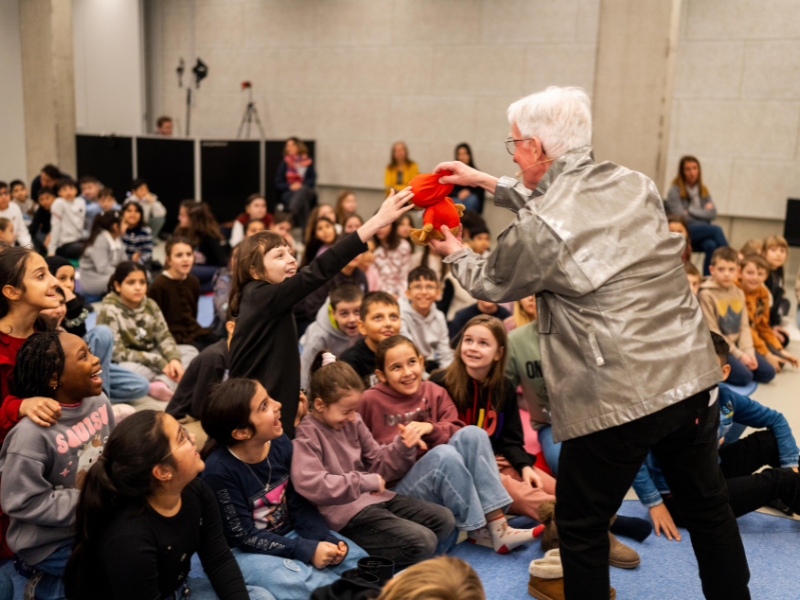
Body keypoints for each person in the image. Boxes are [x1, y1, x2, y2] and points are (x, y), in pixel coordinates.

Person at [429, 86, 749, 599]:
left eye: (512, 144)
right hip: (690, 374)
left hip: (618, 392)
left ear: (534, 147)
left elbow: (492, 281)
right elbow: (562, 206)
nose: (510, 153)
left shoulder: (539, 227)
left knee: (579, 527)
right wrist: (486, 182)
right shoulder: (634, 183)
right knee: (708, 507)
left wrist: (453, 251)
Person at [229, 190, 414, 439]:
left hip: (267, 401)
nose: (292, 260)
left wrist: (295, 391)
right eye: (279, 255)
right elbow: (318, 270)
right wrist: (376, 223)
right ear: (254, 270)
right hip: (253, 409)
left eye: (291, 252)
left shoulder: (266, 297)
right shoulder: (261, 295)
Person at [63, 410, 273, 600]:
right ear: (163, 471)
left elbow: (218, 559)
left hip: (177, 587)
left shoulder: (197, 490)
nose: (192, 438)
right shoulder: (130, 540)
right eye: (181, 437)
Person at [360, 335, 542, 554]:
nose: (407, 372)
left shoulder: (434, 391)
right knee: (443, 454)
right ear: (381, 374)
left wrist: (430, 428)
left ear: (421, 361)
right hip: (397, 492)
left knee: (473, 432)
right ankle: (480, 527)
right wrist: (402, 447)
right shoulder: (369, 401)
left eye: (411, 362)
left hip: (442, 482)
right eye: (396, 367)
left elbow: (459, 433)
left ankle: (497, 526)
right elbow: (365, 462)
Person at [201, 378, 368, 597]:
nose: (278, 404)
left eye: (269, 398)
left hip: (290, 533)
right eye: (264, 406)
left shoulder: (280, 444)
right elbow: (243, 537)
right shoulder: (218, 471)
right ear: (242, 432)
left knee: (359, 562)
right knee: (310, 583)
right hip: (244, 551)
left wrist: (322, 537)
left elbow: (299, 501)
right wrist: (304, 550)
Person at [633, 331, 800, 539]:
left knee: (772, 443)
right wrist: (654, 502)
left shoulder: (725, 397)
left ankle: (783, 494)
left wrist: (790, 464)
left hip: (713, 472)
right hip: (683, 498)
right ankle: (785, 490)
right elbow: (632, 454)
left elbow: (776, 419)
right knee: (784, 481)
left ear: (724, 372)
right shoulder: (665, 406)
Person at [292, 354, 455, 565]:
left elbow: (378, 463)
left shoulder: (354, 421)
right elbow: (313, 484)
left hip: (376, 498)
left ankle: (413, 559)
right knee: (422, 541)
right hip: (345, 514)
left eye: (354, 410)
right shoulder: (306, 433)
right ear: (320, 404)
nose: (352, 417)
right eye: (346, 411)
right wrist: (363, 482)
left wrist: (402, 445)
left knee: (444, 520)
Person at [0, 331, 114, 600]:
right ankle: (45, 586)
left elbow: (112, 452)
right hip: (50, 541)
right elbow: (21, 501)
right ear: (54, 378)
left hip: (97, 516)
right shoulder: (30, 435)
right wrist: (92, 500)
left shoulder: (99, 400)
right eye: (84, 356)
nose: (97, 360)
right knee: (113, 575)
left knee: (141, 549)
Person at [428, 316, 560, 526]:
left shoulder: (504, 387)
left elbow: (511, 440)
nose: (473, 348)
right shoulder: (439, 383)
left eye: (483, 343)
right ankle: (582, 523)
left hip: (498, 459)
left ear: (499, 353)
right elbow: (434, 441)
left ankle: (595, 521)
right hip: (466, 468)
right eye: (468, 340)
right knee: (530, 498)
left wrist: (524, 466)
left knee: (555, 488)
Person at [95, 262, 199, 403]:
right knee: (130, 371)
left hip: (151, 355)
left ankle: (161, 384)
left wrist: (174, 359)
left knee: (191, 352)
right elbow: (117, 353)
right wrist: (160, 362)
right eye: (131, 282)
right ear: (118, 286)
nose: (138, 287)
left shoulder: (150, 304)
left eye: (142, 282)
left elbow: (164, 336)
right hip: (127, 362)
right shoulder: (109, 310)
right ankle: (166, 379)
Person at [698, 247, 774, 386]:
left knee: (768, 372)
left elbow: (744, 326)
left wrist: (749, 352)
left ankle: (742, 362)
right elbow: (714, 332)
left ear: (738, 271)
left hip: (737, 346)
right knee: (745, 377)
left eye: (731, 269)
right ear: (711, 270)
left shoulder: (739, 292)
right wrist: (740, 356)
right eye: (721, 269)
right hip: (719, 348)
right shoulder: (706, 294)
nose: (726, 274)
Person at [148, 236, 220, 353]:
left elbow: (193, 314)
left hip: (194, 331)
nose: (185, 259)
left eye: (189, 254)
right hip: (172, 338)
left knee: (222, 346)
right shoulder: (159, 285)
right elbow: (153, 322)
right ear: (169, 260)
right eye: (179, 255)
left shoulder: (193, 282)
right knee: (205, 355)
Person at [665, 155, 728, 276]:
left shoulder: (703, 190)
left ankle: (707, 278)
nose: (692, 172)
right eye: (688, 169)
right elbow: (680, 218)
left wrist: (690, 211)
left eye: (694, 168)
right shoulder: (674, 191)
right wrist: (703, 213)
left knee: (711, 245)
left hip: (702, 232)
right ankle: (730, 259)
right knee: (716, 230)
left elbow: (713, 213)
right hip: (686, 230)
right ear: (682, 172)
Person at [166, 313, 235, 423]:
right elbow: (200, 408)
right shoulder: (214, 357)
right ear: (231, 327)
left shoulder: (246, 355)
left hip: (217, 416)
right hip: (186, 420)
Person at [737, 253, 798, 373]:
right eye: (750, 273)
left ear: (766, 276)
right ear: (740, 272)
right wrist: (766, 354)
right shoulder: (736, 290)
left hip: (753, 335)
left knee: (781, 360)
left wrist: (779, 350)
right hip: (739, 338)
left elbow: (763, 325)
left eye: (760, 274)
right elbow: (744, 328)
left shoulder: (762, 292)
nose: (755, 277)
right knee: (768, 371)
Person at [294, 240, 368, 337]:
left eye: (358, 251)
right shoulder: (327, 273)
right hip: (311, 320)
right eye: (350, 250)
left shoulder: (360, 274)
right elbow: (312, 309)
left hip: (346, 320)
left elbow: (365, 303)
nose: (354, 254)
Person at [300, 282, 365, 391]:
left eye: (357, 312)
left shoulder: (364, 324)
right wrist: (306, 396)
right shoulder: (319, 337)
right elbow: (306, 371)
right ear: (333, 313)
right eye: (344, 313)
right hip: (308, 357)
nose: (352, 319)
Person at [339, 292, 403, 387]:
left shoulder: (404, 352)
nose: (388, 323)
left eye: (393, 316)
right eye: (378, 317)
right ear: (362, 327)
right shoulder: (350, 361)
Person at [399, 266, 453, 371]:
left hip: (424, 364)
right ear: (408, 293)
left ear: (437, 293)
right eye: (418, 286)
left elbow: (445, 353)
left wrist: (448, 376)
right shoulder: (400, 315)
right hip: (405, 365)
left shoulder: (439, 317)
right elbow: (407, 353)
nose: (424, 292)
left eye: (429, 286)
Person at [175, 201, 230, 293]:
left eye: (182, 215)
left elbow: (222, 264)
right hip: (192, 270)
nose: (179, 218)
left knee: (188, 270)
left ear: (193, 219)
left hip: (210, 270)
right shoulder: (180, 231)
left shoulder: (210, 236)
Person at [78, 210, 125, 299]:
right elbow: (103, 268)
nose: (127, 225)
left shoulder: (118, 240)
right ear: (115, 226)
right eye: (125, 223)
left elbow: (124, 262)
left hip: (107, 275)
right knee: (124, 280)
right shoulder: (101, 240)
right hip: (93, 281)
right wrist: (125, 273)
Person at [276, 137, 317, 230]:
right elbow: (278, 183)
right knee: (303, 202)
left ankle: (292, 212)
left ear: (298, 146)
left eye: (292, 145)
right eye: (287, 145)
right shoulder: (284, 163)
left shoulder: (307, 162)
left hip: (307, 191)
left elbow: (312, 180)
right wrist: (290, 186)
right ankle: (305, 234)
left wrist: (301, 186)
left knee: (303, 191)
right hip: (290, 194)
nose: (289, 148)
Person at [762, 235, 791, 346]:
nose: (778, 254)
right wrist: (769, 328)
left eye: (782, 251)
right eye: (773, 250)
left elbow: (776, 302)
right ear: (764, 253)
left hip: (769, 321)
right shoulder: (763, 274)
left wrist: (775, 324)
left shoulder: (778, 272)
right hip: (760, 323)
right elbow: (761, 309)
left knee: (786, 302)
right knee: (780, 342)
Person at [373, 219, 411, 298]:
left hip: (401, 295)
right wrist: (388, 294)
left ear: (392, 225)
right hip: (378, 295)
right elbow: (374, 278)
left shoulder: (403, 246)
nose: (379, 228)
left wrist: (400, 296)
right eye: (376, 225)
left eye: (383, 225)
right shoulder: (372, 249)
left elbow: (404, 276)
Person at [48, 178, 86, 258]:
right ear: (59, 193)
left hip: (78, 239)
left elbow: (80, 224)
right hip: (64, 244)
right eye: (64, 189)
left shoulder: (81, 202)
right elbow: (55, 227)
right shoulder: (58, 203)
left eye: (71, 188)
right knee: (85, 249)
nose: (68, 192)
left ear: (76, 190)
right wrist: (51, 250)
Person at [450, 144, 485, 214]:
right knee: (453, 202)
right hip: (456, 199)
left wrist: (468, 192)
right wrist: (458, 193)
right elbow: (447, 191)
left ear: (469, 155)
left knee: (471, 200)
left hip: (470, 201)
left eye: (464, 154)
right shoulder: (452, 174)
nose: (462, 157)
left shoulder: (477, 173)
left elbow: (480, 193)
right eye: (459, 154)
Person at [119, 199, 154, 265]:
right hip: (121, 264)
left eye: (136, 211)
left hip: (139, 264)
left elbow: (148, 252)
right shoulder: (117, 230)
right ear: (123, 213)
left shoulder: (146, 231)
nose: (133, 214)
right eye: (129, 211)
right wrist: (122, 233)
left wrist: (137, 262)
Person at [0, 182, 32, 248]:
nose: (4, 197)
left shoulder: (14, 207)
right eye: (0, 194)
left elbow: (22, 232)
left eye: (6, 193)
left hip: (11, 249)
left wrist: (29, 249)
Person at [30, 187, 55, 253]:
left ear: (54, 197)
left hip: (57, 234)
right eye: (41, 199)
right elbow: (34, 226)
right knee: (36, 234)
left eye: (47, 198)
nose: (45, 201)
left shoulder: (59, 207)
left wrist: (51, 235)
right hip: (44, 234)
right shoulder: (40, 210)